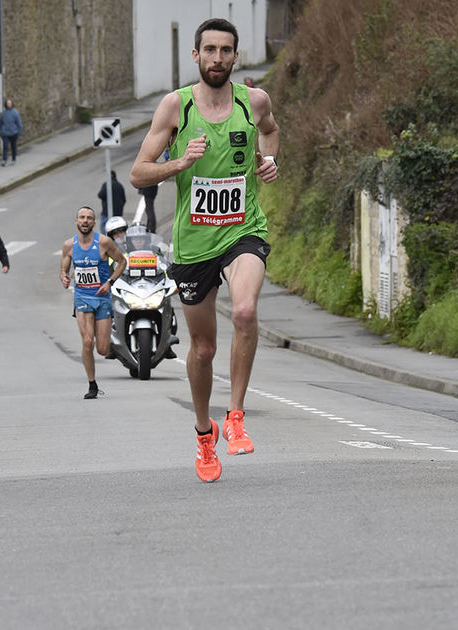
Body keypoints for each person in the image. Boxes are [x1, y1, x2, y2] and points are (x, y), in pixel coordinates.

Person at [129, 18, 279, 482]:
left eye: (226, 50)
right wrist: (181, 161)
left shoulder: (253, 102)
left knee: (246, 311)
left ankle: (235, 416)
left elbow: (271, 131)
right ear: (196, 56)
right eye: (209, 50)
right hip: (194, 243)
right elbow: (138, 173)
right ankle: (203, 432)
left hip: (242, 229)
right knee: (204, 349)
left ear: (237, 57)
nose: (217, 58)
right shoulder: (176, 107)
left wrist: (270, 160)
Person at [60, 206, 127, 399]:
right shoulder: (69, 245)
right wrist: (64, 277)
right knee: (87, 341)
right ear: (76, 221)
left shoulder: (104, 243)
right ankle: (92, 384)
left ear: (94, 222)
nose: (85, 221)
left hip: (102, 298)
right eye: (82, 217)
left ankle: (107, 334)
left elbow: (122, 262)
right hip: (82, 297)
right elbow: (63, 269)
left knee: (103, 349)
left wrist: (110, 282)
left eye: (89, 218)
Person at [0, 99, 23, 166]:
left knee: (13, 147)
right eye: (8, 103)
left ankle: (13, 159)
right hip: (5, 133)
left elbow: (19, 123)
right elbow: (0, 122)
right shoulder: (3, 113)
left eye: (10, 103)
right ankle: (4, 160)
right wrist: (0, 131)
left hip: (13, 133)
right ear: (6, 104)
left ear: (12, 104)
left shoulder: (15, 113)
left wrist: (19, 131)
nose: (9, 104)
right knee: (5, 146)